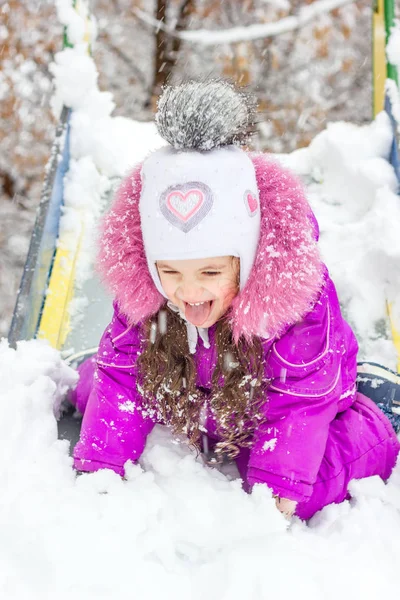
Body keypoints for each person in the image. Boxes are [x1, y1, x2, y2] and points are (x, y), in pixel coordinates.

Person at [71, 80, 400, 520]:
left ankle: (379, 415)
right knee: (98, 386)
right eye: (170, 273)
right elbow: (122, 380)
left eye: (209, 272)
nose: (188, 292)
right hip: (197, 397)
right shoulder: (148, 293)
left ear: (245, 261)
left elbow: (298, 401)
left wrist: (277, 485)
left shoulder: (293, 297)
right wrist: (102, 468)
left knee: (308, 485)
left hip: (281, 400)